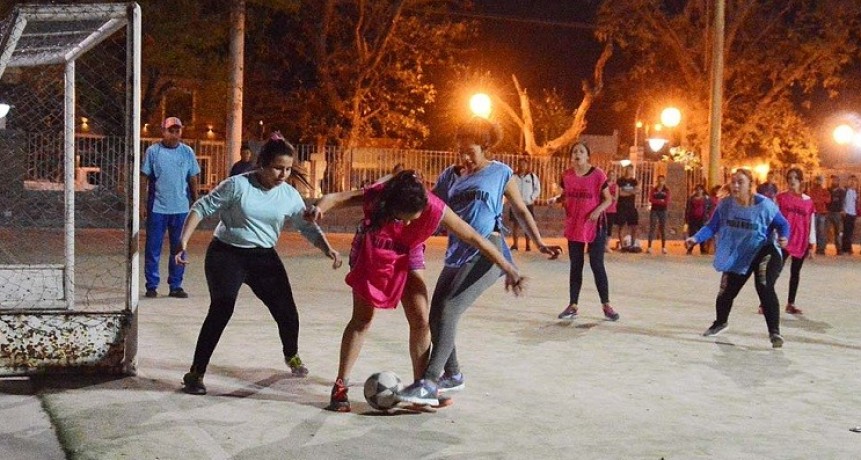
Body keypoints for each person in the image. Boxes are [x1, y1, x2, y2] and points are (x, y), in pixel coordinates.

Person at [312, 170, 526, 412]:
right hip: (373, 250)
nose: (407, 224)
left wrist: (508, 267)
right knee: (362, 319)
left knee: (420, 319)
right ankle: (340, 386)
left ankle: (422, 389)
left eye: (414, 219)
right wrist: (319, 208)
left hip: (409, 251)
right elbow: (335, 198)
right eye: (401, 218)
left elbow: (474, 237)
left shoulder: (434, 207)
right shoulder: (379, 196)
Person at [397, 117, 562, 407]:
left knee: (450, 309)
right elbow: (427, 208)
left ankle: (429, 382)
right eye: (460, 151)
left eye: (470, 152)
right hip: (457, 252)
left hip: (489, 249)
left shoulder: (500, 173)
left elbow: (521, 210)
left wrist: (539, 242)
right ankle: (453, 374)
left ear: (485, 147)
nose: (465, 158)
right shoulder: (450, 176)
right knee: (435, 317)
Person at [175, 134, 342, 395]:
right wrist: (183, 241)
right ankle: (195, 373)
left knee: (287, 312)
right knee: (222, 309)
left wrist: (327, 248)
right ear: (262, 164)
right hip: (227, 254)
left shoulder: (289, 195)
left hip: (263, 257)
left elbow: (306, 227)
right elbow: (201, 207)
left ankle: (291, 354)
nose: (283, 174)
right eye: (277, 168)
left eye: (288, 169)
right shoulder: (237, 186)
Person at [685, 168, 790, 348]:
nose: (735, 185)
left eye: (740, 182)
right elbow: (712, 226)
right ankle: (720, 322)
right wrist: (695, 238)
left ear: (750, 185)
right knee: (726, 291)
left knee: (764, 284)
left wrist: (784, 237)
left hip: (764, 250)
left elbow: (783, 224)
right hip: (740, 253)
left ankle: (774, 332)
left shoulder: (764, 205)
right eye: (733, 182)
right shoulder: (725, 205)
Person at [554, 142, 620, 322]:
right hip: (575, 224)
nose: (578, 154)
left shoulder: (598, 174)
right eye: (575, 151)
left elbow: (608, 199)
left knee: (596, 264)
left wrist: (597, 211)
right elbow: (565, 195)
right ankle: (573, 305)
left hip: (595, 225)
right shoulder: (567, 175)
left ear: (587, 156)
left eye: (581, 151)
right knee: (576, 265)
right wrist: (558, 199)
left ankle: (606, 305)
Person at [141, 116, 200, 299]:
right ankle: (152, 285)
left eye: (177, 131)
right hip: (157, 208)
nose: (174, 135)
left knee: (180, 247)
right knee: (153, 248)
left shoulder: (187, 152)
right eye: (171, 131)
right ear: (163, 131)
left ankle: (176, 285)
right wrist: (142, 203)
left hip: (181, 208)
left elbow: (192, 178)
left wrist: (196, 202)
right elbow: (144, 178)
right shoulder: (153, 151)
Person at [775, 168, 815, 315]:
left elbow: (811, 223)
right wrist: (774, 237)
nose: (792, 181)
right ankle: (764, 303)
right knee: (775, 270)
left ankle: (790, 303)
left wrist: (811, 243)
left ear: (801, 181)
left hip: (801, 240)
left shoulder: (808, 201)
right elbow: (774, 218)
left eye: (795, 178)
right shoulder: (781, 198)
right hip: (785, 239)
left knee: (795, 272)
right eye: (790, 178)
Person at [509, 157, 541, 251]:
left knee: (528, 225)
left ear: (527, 165)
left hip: (528, 204)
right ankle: (515, 244)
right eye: (520, 164)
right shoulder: (513, 177)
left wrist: (532, 197)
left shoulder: (532, 177)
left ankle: (528, 245)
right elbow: (508, 188)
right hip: (516, 204)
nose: (522, 166)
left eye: (524, 164)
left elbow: (537, 189)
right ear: (517, 165)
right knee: (516, 225)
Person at [616, 164, 640, 251]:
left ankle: (632, 245)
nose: (628, 171)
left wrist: (625, 190)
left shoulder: (634, 181)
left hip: (631, 206)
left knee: (634, 226)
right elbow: (620, 193)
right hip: (622, 206)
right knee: (621, 226)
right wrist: (631, 191)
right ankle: (622, 246)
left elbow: (637, 191)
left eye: (630, 169)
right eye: (627, 169)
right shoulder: (620, 180)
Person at [646, 174, 670, 254]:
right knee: (652, 227)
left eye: (662, 180)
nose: (660, 182)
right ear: (657, 181)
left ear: (664, 181)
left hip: (663, 211)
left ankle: (663, 247)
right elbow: (650, 199)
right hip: (654, 210)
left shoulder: (666, 190)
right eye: (659, 180)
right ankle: (649, 247)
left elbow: (666, 201)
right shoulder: (654, 189)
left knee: (662, 228)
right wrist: (660, 201)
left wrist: (657, 201)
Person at [684, 184, 711, 255]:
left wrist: (708, 217)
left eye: (700, 189)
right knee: (692, 234)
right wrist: (686, 219)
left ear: (703, 190)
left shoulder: (706, 199)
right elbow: (687, 209)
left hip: (702, 219)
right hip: (693, 219)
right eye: (697, 189)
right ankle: (690, 248)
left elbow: (709, 208)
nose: (699, 191)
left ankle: (702, 249)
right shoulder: (691, 199)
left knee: (701, 234)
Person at [808, 175, 830, 255]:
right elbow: (810, 200)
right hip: (813, 213)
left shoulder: (825, 191)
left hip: (822, 212)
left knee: (821, 231)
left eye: (819, 180)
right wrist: (819, 200)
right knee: (812, 231)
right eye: (817, 180)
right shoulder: (811, 190)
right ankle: (810, 247)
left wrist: (818, 200)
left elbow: (828, 200)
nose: (818, 182)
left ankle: (820, 248)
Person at [826, 175, 845, 255]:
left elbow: (843, 201)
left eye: (835, 180)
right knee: (825, 230)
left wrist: (842, 210)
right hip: (828, 212)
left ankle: (839, 249)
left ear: (838, 181)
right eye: (833, 180)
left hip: (838, 213)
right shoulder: (828, 190)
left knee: (838, 232)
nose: (834, 181)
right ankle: (821, 248)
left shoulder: (842, 191)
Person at [841, 175, 858, 255]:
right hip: (847, 213)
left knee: (850, 232)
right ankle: (845, 248)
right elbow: (842, 201)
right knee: (846, 231)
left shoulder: (856, 192)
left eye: (854, 181)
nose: (852, 182)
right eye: (851, 180)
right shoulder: (845, 191)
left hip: (853, 213)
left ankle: (848, 247)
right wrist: (843, 210)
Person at [604, 169, 619, 253]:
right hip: (603, 209)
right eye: (610, 174)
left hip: (611, 209)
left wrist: (608, 196)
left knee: (609, 227)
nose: (611, 176)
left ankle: (606, 244)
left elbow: (615, 198)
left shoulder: (615, 186)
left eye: (613, 175)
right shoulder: (604, 185)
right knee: (602, 227)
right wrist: (609, 196)